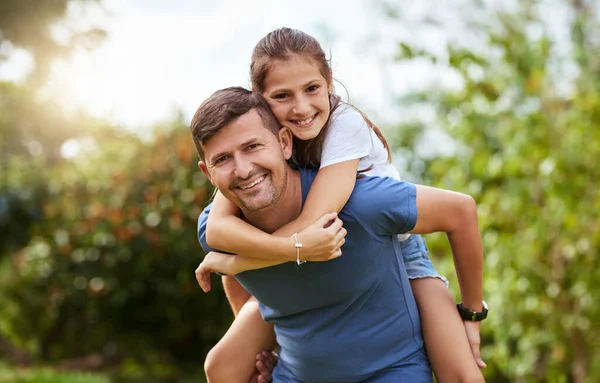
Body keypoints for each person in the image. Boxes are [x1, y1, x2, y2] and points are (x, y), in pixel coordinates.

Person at [196, 28, 485, 382]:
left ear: (329, 81)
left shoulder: (343, 126)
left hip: (401, 251)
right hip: (307, 254)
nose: (301, 107)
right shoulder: (252, 149)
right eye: (283, 95)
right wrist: (243, 267)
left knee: (462, 373)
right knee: (223, 354)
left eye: (312, 89)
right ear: (259, 97)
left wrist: (237, 261)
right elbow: (219, 230)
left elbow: (311, 225)